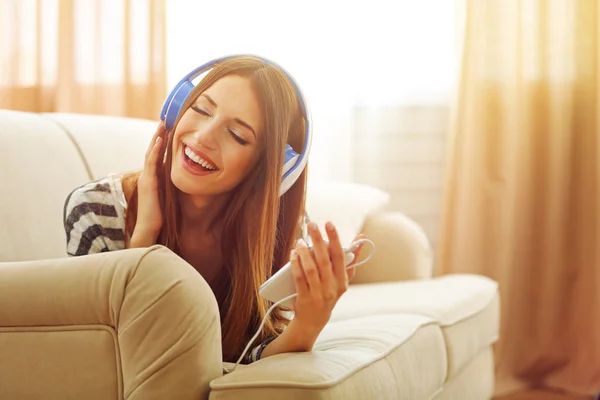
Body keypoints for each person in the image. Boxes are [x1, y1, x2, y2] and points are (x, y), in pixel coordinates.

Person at [63, 55, 367, 365]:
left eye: (237, 135)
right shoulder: (96, 211)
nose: (203, 137)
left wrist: (309, 324)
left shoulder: (279, 233)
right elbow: (107, 361)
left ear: (266, 172)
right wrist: (143, 241)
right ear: (176, 107)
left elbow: (251, 357)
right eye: (201, 109)